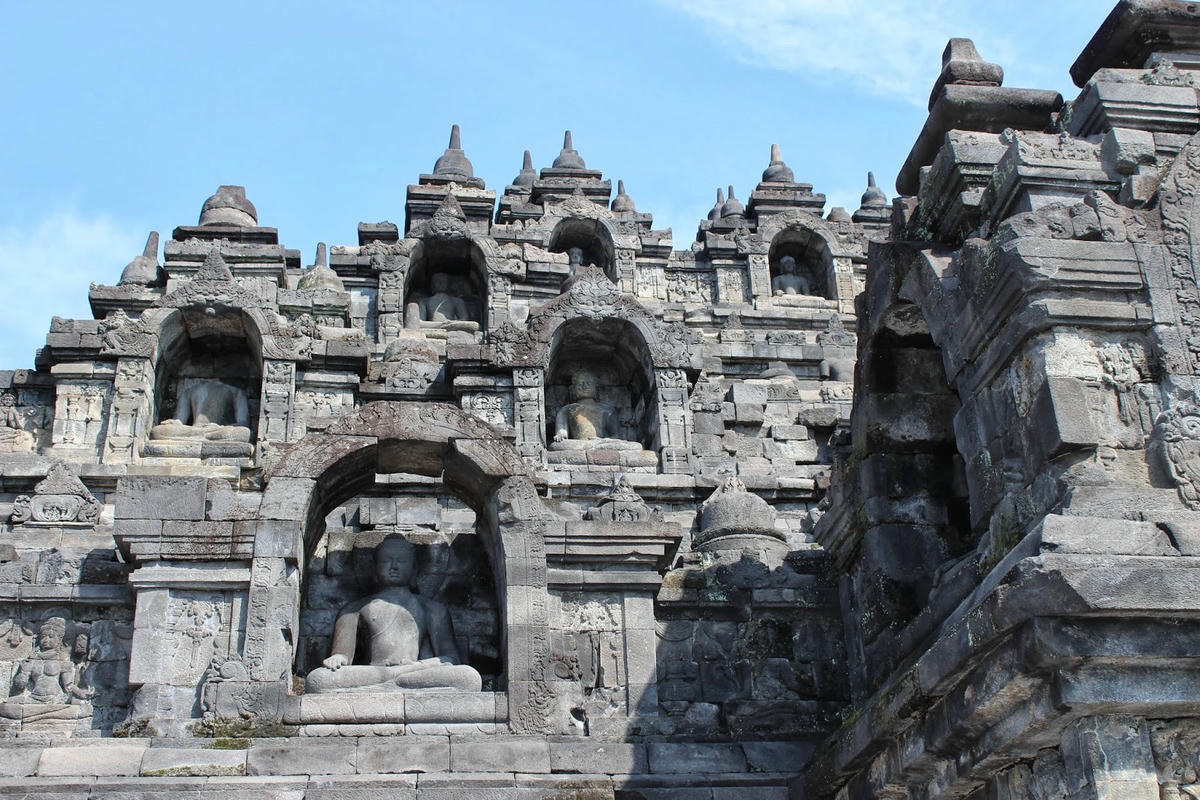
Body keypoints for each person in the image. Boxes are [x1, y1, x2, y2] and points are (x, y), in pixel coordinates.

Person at [305, 535, 481, 693]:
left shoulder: (432, 609)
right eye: (386, 561)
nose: (394, 566)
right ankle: (397, 685)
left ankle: (386, 687)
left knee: (468, 677)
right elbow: (343, 655)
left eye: (402, 561)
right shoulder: (354, 609)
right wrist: (338, 658)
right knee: (318, 680)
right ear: (374, 568)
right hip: (375, 673)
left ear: (414, 569)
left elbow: (450, 659)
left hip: (415, 671)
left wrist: (414, 667)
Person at [407, 272, 478, 332]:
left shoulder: (457, 301)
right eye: (437, 281)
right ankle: (444, 326)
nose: (440, 283)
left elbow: (464, 319)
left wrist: (453, 323)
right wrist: (442, 324)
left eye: (444, 281)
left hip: (452, 325)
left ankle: (446, 326)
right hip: (435, 327)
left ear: (449, 284)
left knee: (475, 325)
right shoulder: (425, 301)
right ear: (432, 285)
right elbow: (420, 322)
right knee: (417, 327)